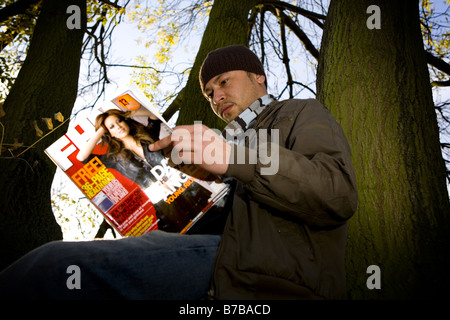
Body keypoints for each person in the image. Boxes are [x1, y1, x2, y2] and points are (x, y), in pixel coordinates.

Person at [0, 45, 357, 300]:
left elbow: (336, 192)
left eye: (223, 81)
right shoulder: (209, 141)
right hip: (200, 257)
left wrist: (233, 157)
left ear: (258, 78)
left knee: (51, 268)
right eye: (208, 92)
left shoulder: (297, 113)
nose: (216, 96)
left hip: (262, 274)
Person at [76, 108, 213, 232]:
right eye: (112, 126)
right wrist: (101, 130)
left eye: (119, 121)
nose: (118, 126)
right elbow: (82, 157)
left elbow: (153, 116)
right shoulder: (114, 159)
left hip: (187, 189)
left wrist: (128, 113)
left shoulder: (147, 135)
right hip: (165, 204)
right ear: (109, 133)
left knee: (214, 220)